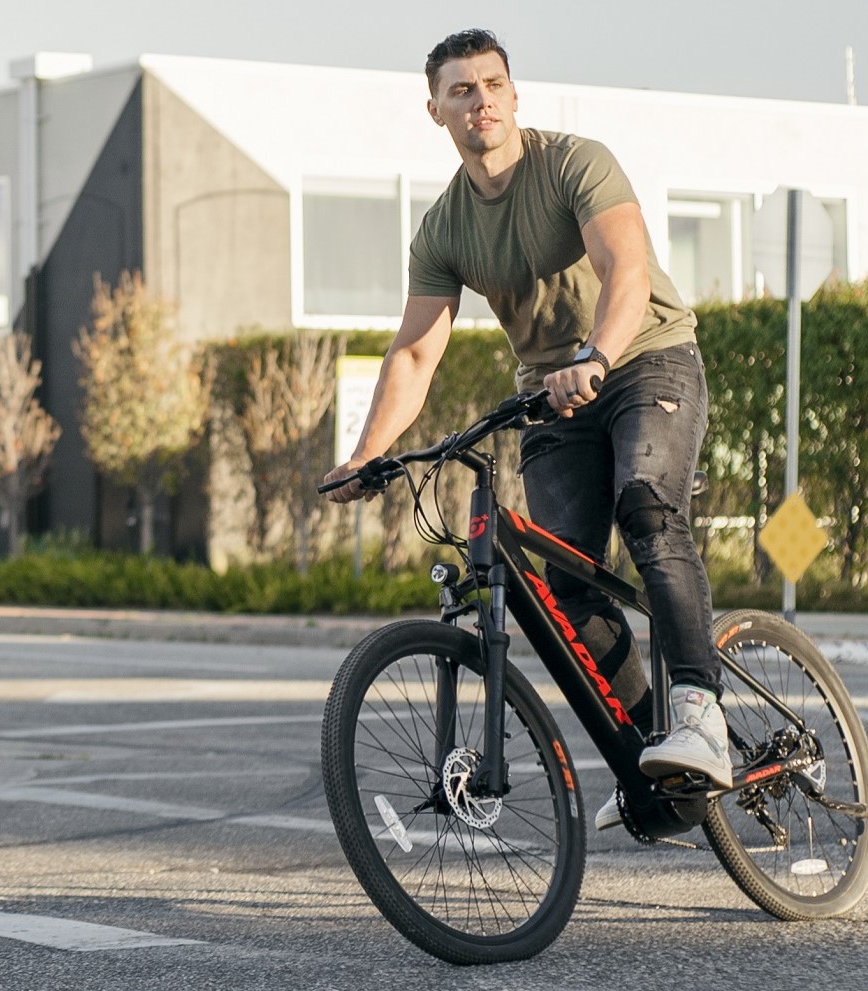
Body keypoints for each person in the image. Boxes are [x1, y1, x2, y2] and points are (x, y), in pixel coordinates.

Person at [321, 29, 728, 829]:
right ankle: (657, 758)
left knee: (647, 509)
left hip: (645, 357)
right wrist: (367, 454)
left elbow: (627, 269)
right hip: (550, 394)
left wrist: (597, 355)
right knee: (568, 583)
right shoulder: (444, 228)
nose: (481, 102)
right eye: (462, 91)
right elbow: (415, 347)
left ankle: (699, 715)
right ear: (434, 108)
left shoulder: (575, 162)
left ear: (513, 95)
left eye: (493, 85)